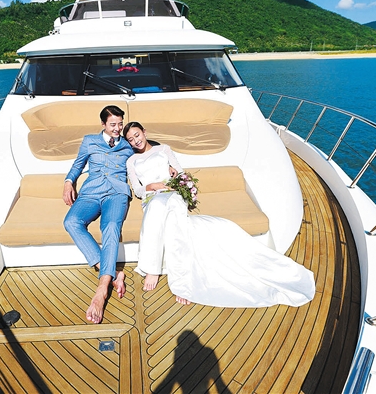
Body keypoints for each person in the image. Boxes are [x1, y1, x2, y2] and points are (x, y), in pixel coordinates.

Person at [123, 121, 316, 308]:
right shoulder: (131, 161)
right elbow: (138, 190)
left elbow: (181, 173)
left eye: (137, 135)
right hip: (152, 196)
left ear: (144, 132)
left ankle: (181, 280)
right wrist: (153, 186)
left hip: (173, 192)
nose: (136, 141)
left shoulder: (164, 149)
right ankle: (154, 270)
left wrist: (173, 175)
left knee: (173, 219)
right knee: (157, 207)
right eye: (131, 139)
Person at [63, 105, 134, 323]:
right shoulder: (89, 141)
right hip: (91, 191)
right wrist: (68, 182)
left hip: (116, 193)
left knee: (111, 226)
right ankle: (112, 273)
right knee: (71, 221)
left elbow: (148, 151)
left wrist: (168, 167)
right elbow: (78, 165)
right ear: (103, 124)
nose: (117, 129)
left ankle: (102, 291)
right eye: (113, 124)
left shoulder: (128, 145)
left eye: (120, 124)